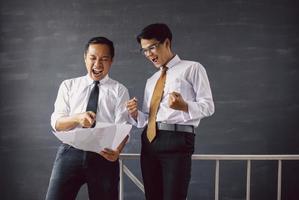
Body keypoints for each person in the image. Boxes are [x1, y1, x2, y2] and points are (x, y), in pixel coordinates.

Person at [126, 23, 215, 200]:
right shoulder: (151, 80)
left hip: (177, 140)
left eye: (152, 47)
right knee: (153, 196)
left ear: (166, 42)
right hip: (149, 142)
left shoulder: (193, 68)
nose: (149, 54)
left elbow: (208, 106)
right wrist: (136, 114)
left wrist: (184, 106)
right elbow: (148, 119)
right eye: (144, 50)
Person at [46, 36, 129, 200]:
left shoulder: (120, 90)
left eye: (104, 59)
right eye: (93, 58)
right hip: (70, 153)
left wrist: (117, 151)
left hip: (103, 155)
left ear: (111, 61)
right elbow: (57, 123)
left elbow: (123, 128)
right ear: (85, 58)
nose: (98, 64)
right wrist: (77, 118)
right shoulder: (68, 86)